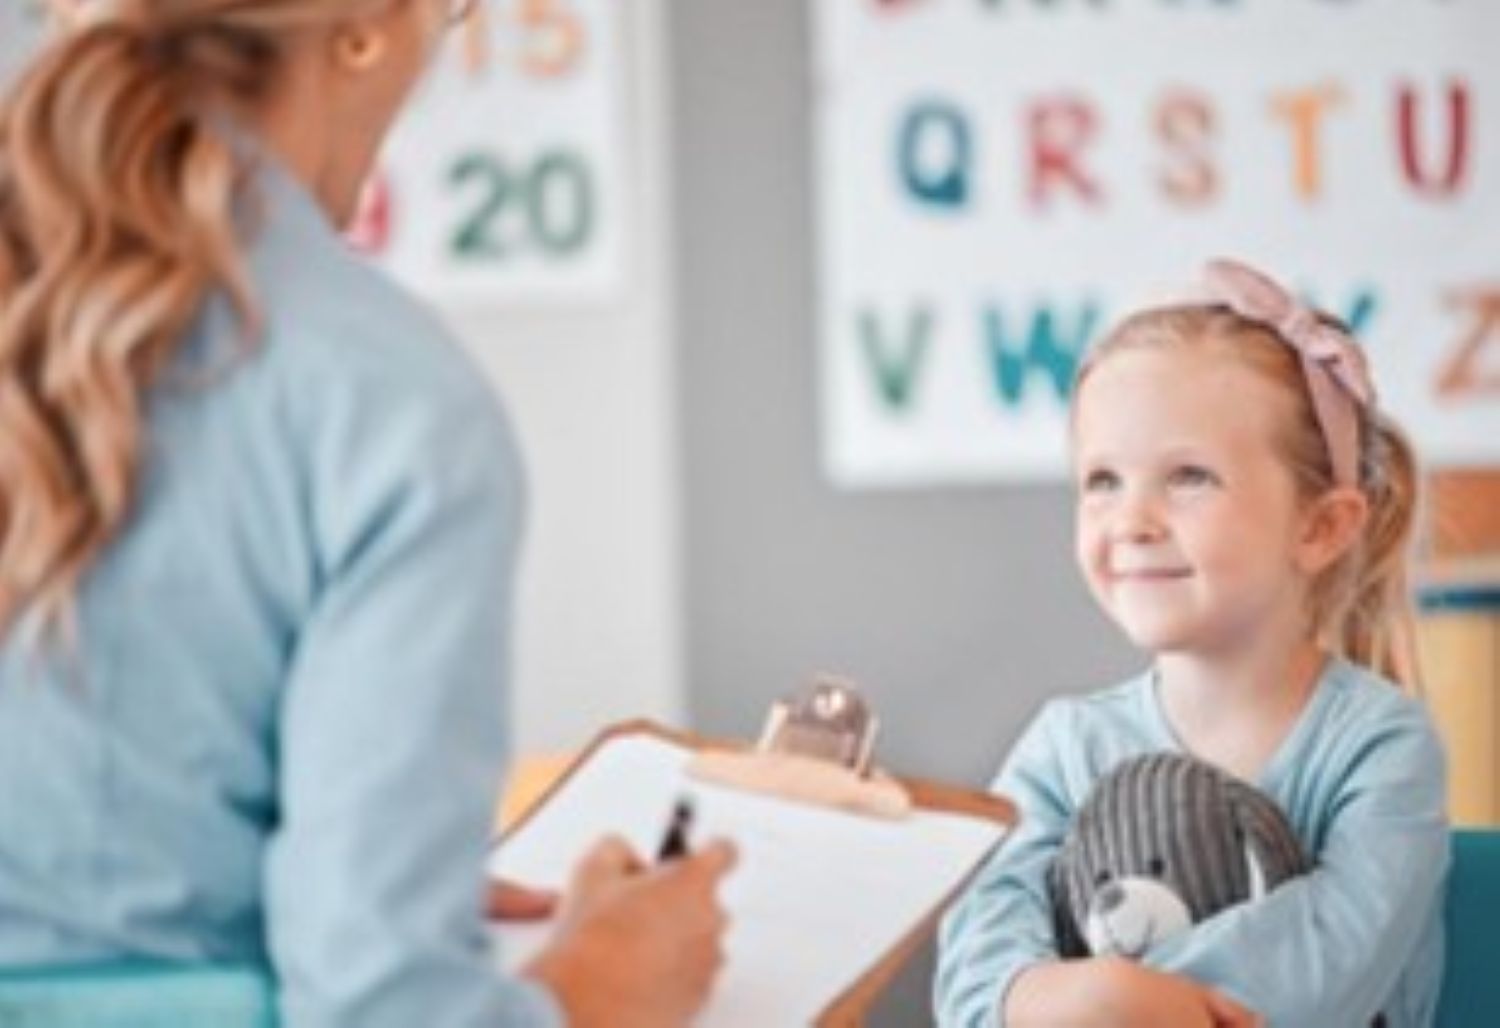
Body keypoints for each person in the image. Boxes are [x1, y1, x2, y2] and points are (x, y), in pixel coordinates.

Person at [0, 2, 734, 1027]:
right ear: (364, 31)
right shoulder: (383, 400)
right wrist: (599, 988)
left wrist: (312, 878)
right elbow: (378, 1008)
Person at [934, 259, 1449, 1027]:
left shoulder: (1381, 747)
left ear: (1320, 527)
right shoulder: (1064, 746)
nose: (1131, 520)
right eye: (1103, 480)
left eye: (1189, 477)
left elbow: (1327, 964)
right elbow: (976, 958)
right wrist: (1033, 1000)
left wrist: (1101, 997)